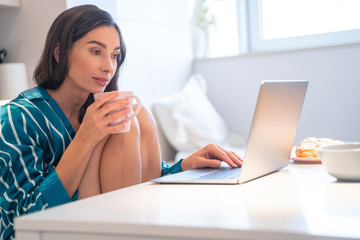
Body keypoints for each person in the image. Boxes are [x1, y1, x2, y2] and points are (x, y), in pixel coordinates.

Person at [0, 5, 242, 240]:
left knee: (140, 114)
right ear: (59, 52)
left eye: (114, 55)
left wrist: (184, 166)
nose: (109, 67)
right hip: (53, 229)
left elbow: (134, 176)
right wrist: (86, 137)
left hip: (110, 219)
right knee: (124, 124)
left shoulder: (92, 108)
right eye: (96, 51)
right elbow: (21, 221)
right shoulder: (17, 118)